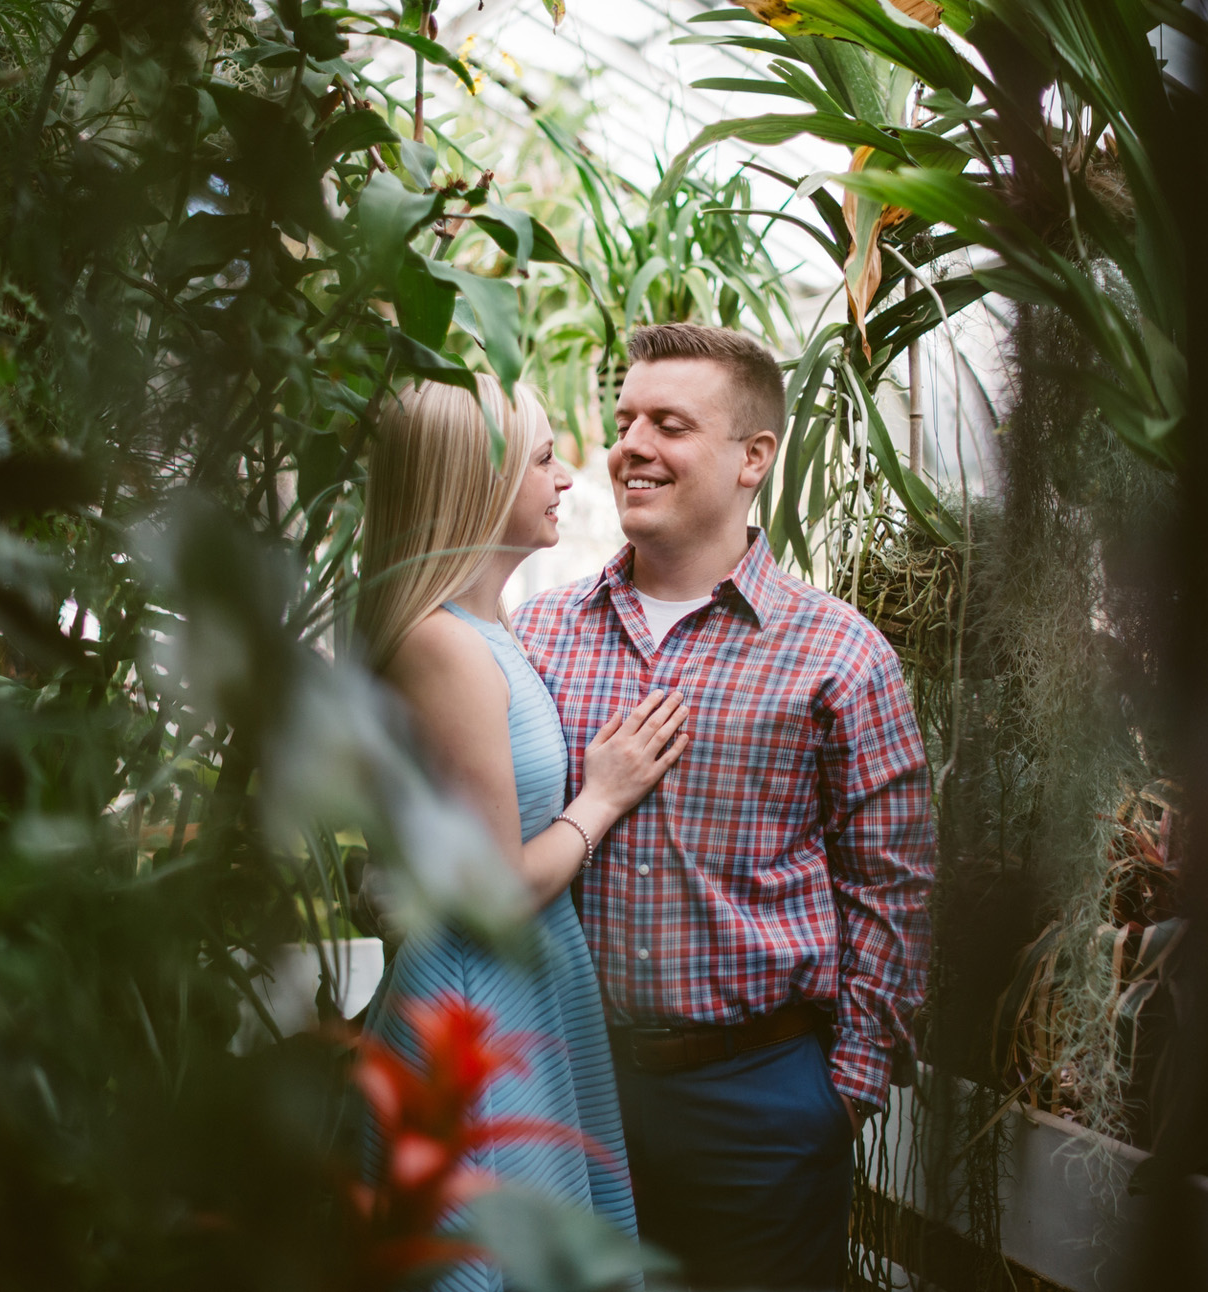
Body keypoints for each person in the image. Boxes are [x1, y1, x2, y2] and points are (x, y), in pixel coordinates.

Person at [514, 324, 935, 1290]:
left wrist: (844, 1091)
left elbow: (897, 887)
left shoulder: (840, 655)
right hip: (577, 1080)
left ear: (754, 458)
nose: (632, 446)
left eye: (670, 423)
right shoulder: (540, 634)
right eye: (625, 420)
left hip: (760, 1097)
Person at [353, 374, 688, 1292]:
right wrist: (603, 798)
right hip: (480, 992)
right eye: (544, 458)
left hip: (527, 984)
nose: (569, 477)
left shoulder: (483, 627)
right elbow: (495, 886)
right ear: (474, 480)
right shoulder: (443, 646)